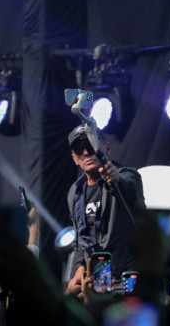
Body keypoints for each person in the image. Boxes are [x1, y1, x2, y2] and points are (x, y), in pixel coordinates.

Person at [64, 124, 145, 298]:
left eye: (91, 145)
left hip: (126, 279)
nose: (86, 152)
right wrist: (79, 268)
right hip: (95, 282)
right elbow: (79, 240)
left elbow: (130, 189)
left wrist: (115, 180)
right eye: (79, 149)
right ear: (74, 158)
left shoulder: (128, 176)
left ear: (106, 148)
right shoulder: (75, 192)